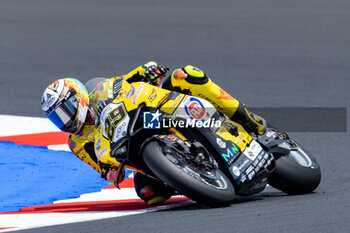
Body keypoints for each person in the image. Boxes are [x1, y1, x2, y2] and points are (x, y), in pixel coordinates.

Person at [41, 61, 266, 205]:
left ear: (78, 97)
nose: (65, 120)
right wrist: (111, 173)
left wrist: (147, 71)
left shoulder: (100, 90)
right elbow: (105, 171)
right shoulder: (77, 144)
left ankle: (246, 118)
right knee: (149, 193)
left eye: (65, 111)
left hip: (151, 116)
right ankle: (192, 175)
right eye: (57, 118)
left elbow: (128, 79)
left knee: (186, 75)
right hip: (135, 150)